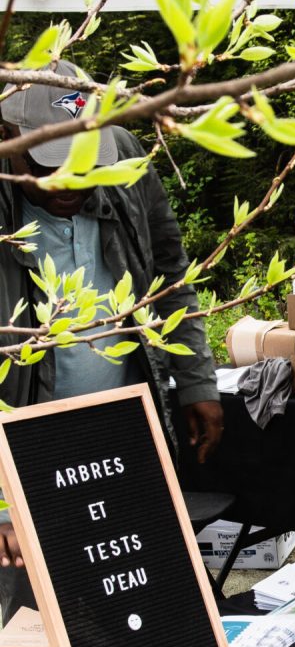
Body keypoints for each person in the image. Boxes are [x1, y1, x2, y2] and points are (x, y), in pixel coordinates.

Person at [0, 61, 222, 618]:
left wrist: (196, 379)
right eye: (55, 164)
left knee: (135, 593)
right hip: (22, 441)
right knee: (34, 615)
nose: (76, 181)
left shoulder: (123, 154)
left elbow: (169, 273)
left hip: (122, 423)